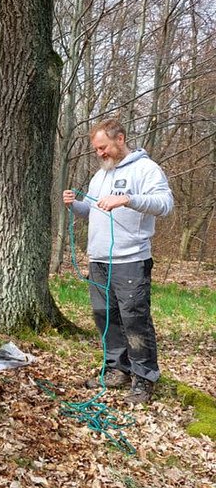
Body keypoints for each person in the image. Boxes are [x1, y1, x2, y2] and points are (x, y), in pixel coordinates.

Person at [63, 118, 173, 404]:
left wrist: (127, 199)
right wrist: (75, 204)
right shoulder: (100, 175)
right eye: (96, 149)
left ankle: (144, 378)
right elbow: (92, 212)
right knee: (105, 317)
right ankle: (117, 369)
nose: (100, 153)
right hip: (98, 259)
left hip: (130, 259)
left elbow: (165, 203)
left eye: (103, 147)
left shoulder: (145, 169)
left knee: (135, 320)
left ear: (120, 139)